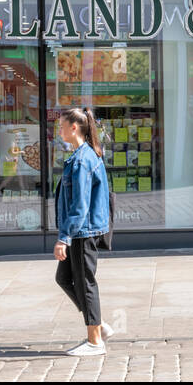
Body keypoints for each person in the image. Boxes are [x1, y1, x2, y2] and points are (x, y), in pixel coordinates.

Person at [53, 107, 114, 355]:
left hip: (82, 232)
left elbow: (80, 205)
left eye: (61, 126)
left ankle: (95, 341)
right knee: (64, 278)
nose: (59, 130)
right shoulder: (82, 155)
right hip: (83, 229)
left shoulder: (81, 160)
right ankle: (97, 325)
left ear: (74, 128)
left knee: (86, 283)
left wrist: (64, 238)